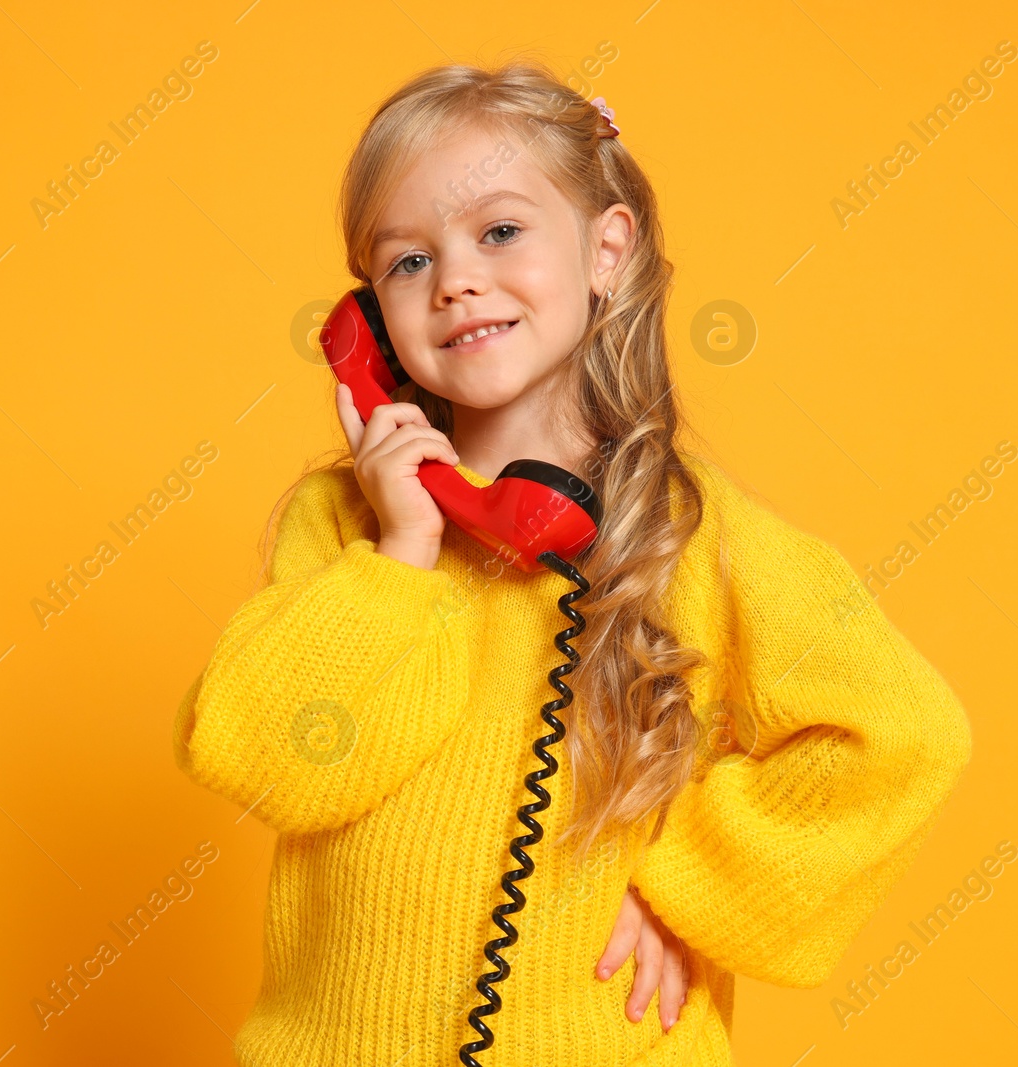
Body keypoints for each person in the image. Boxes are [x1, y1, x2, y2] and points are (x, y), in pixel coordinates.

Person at [173, 57, 972, 1067]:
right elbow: (268, 763)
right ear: (368, 319)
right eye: (407, 261)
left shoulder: (698, 535)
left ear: (606, 248)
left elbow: (902, 732)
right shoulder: (348, 523)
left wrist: (701, 894)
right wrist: (404, 549)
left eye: (499, 231)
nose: (456, 278)